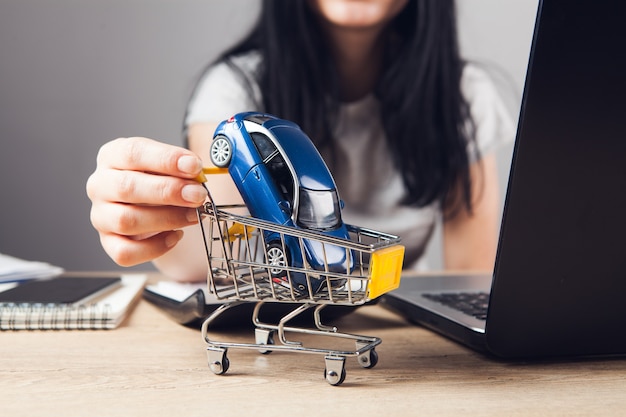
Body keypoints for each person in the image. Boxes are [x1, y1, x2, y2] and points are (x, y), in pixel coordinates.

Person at [86, 0, 514, 282]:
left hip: (408, 327)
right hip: (284, 314)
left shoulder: (462, 94)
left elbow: (469, 279)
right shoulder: (236, 92)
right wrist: (157, 215)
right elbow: (213, 245)